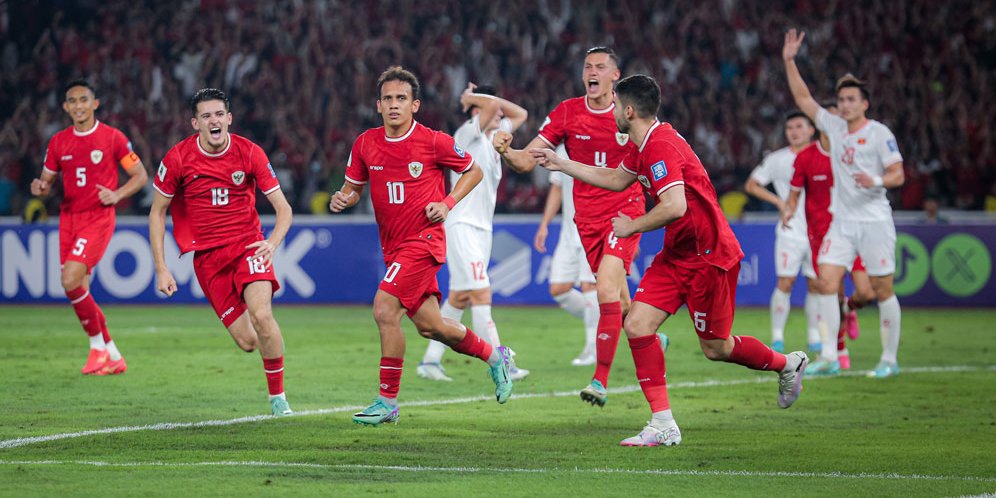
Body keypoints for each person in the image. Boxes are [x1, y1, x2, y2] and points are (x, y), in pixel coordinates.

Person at [532, 74, 808, 446]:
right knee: (638, 325)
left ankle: (787, 363)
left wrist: (632, 227)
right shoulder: (641, 142)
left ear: (629, 110)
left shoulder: (660, 145)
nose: (611, 111)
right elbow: (616, 179)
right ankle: (663, 423)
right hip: (677, 254)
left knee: (716, 348)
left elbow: (675, 206)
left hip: (710, 257)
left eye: (615, 105)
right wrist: (562, 164)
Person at [330, 67, 513, 426]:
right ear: (378, 105)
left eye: (401, 99)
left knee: (385, 309)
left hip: (424, 241)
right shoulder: (365, 143)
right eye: (388, 99)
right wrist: (344, 198)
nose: (394, 105)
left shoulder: (433, 141)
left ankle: (387, 401)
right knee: (432, 326)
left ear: (414, 105)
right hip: (393, 248)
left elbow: (473, 170)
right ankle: (496, 358)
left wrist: (447, 202)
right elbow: (353, 187)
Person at [494, 47, 645, 406]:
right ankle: (649, 334)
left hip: (624, 212)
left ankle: (600, 381)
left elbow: (652, 152)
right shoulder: (567, 112)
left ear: (615, 76)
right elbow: (527, 161)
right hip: (586, 219)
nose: (592, 72)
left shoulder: (629, 113)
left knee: (605, 286)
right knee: (622, 305)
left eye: (600, 67)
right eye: (587, 67)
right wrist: (506, 151)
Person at [149, 88, 294, 416]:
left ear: (229, 119)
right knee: (248, 342)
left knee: (262, 315)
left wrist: (270, 244)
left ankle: (278, 399)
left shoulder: (250, 152)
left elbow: (283, 209)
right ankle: (270, 359)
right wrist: (161, 267)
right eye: (206, 116)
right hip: (209, 260)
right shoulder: (178, 158)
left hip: (249, 247)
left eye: (218, 114)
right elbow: (157, 212)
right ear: (195, 123)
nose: (213, 121)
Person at [783, 29, 905, 377]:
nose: (846, 104)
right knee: (824, 282)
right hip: (842, 222)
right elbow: (804, 99)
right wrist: (790, 60)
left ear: (864, 104)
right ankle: (831, 358)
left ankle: (889, 359)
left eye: (852, 99)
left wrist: (877, 180)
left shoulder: (879, 133)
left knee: (881, 291)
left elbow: (898, 174)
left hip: (874, 221)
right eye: (843, 99)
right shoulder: (834, 128)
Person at [31, 79, 148, 376]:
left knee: (70, 280)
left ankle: (97, 348)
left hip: (97, 217)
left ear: (95, 104)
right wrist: (40, 187)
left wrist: (118, 194)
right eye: (73, 101)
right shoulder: (58, 142)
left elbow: (140, 176)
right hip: (69, 219)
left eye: (84, 100)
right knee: (79, 289)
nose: (79, 106)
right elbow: (47, 181)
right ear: (66, 107)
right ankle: (113, 355)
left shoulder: (113, 138)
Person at [417, 83, 530, 382]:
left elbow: (521, 113)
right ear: (477, 111)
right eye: (492, 108)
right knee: (481, 292)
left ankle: (429, 363)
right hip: (461, 225)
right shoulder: (467, 133)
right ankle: (502, 361)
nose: (500, 113)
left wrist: (483, 99)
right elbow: (493, 108)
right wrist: (471, 100)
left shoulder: (496, 136)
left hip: (482, 229)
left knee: (460, 296)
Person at [783, 101, 876, 372]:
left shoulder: (852, 153)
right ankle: (836, 350)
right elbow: (794, 194)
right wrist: (788, 210)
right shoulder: (806, 157)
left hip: (855, 231)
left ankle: (850, 308)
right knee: (829, 292)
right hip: (822, 237)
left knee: (865, 292)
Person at [744, 111, 820, 354]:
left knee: (817, 284)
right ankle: (777, 337)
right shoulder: (778, 159)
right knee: (785, 282)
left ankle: (814, 334)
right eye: (790, 128)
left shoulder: (824, 156)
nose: (794, 131)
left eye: (799, 126)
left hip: (819, 231)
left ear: (811, 130)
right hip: (790, 230)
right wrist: (779, 202)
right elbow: (751, 184)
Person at [534, 147, 600, 366]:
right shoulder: (563, 147)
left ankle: (593, 349)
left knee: (589, 286)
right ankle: (613, 321)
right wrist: (544, 224)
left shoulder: (601, 141)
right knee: (559, 289)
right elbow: (557, 188)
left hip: (594, 227)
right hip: (568, 231)